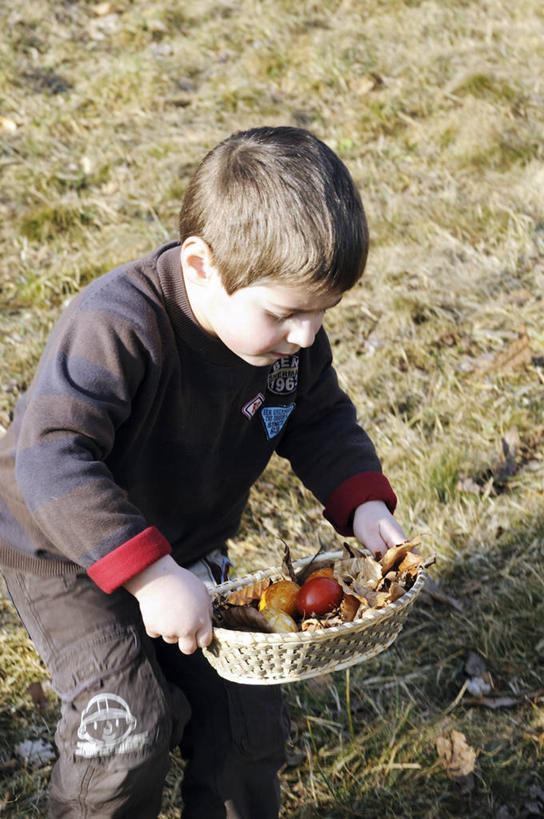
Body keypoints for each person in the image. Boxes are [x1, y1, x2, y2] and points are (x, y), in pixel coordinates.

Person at [0, 126, 407, 818]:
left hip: (187, 548)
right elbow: (53, 456)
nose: (306, 336)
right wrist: (151, 575)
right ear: (200, 265)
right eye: (285, 313)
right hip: (67, 551)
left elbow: (317, 420)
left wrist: (363, 504)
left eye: (322, 313)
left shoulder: (288, 347)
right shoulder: (119, 326)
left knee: (248, 724)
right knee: (128, 727)